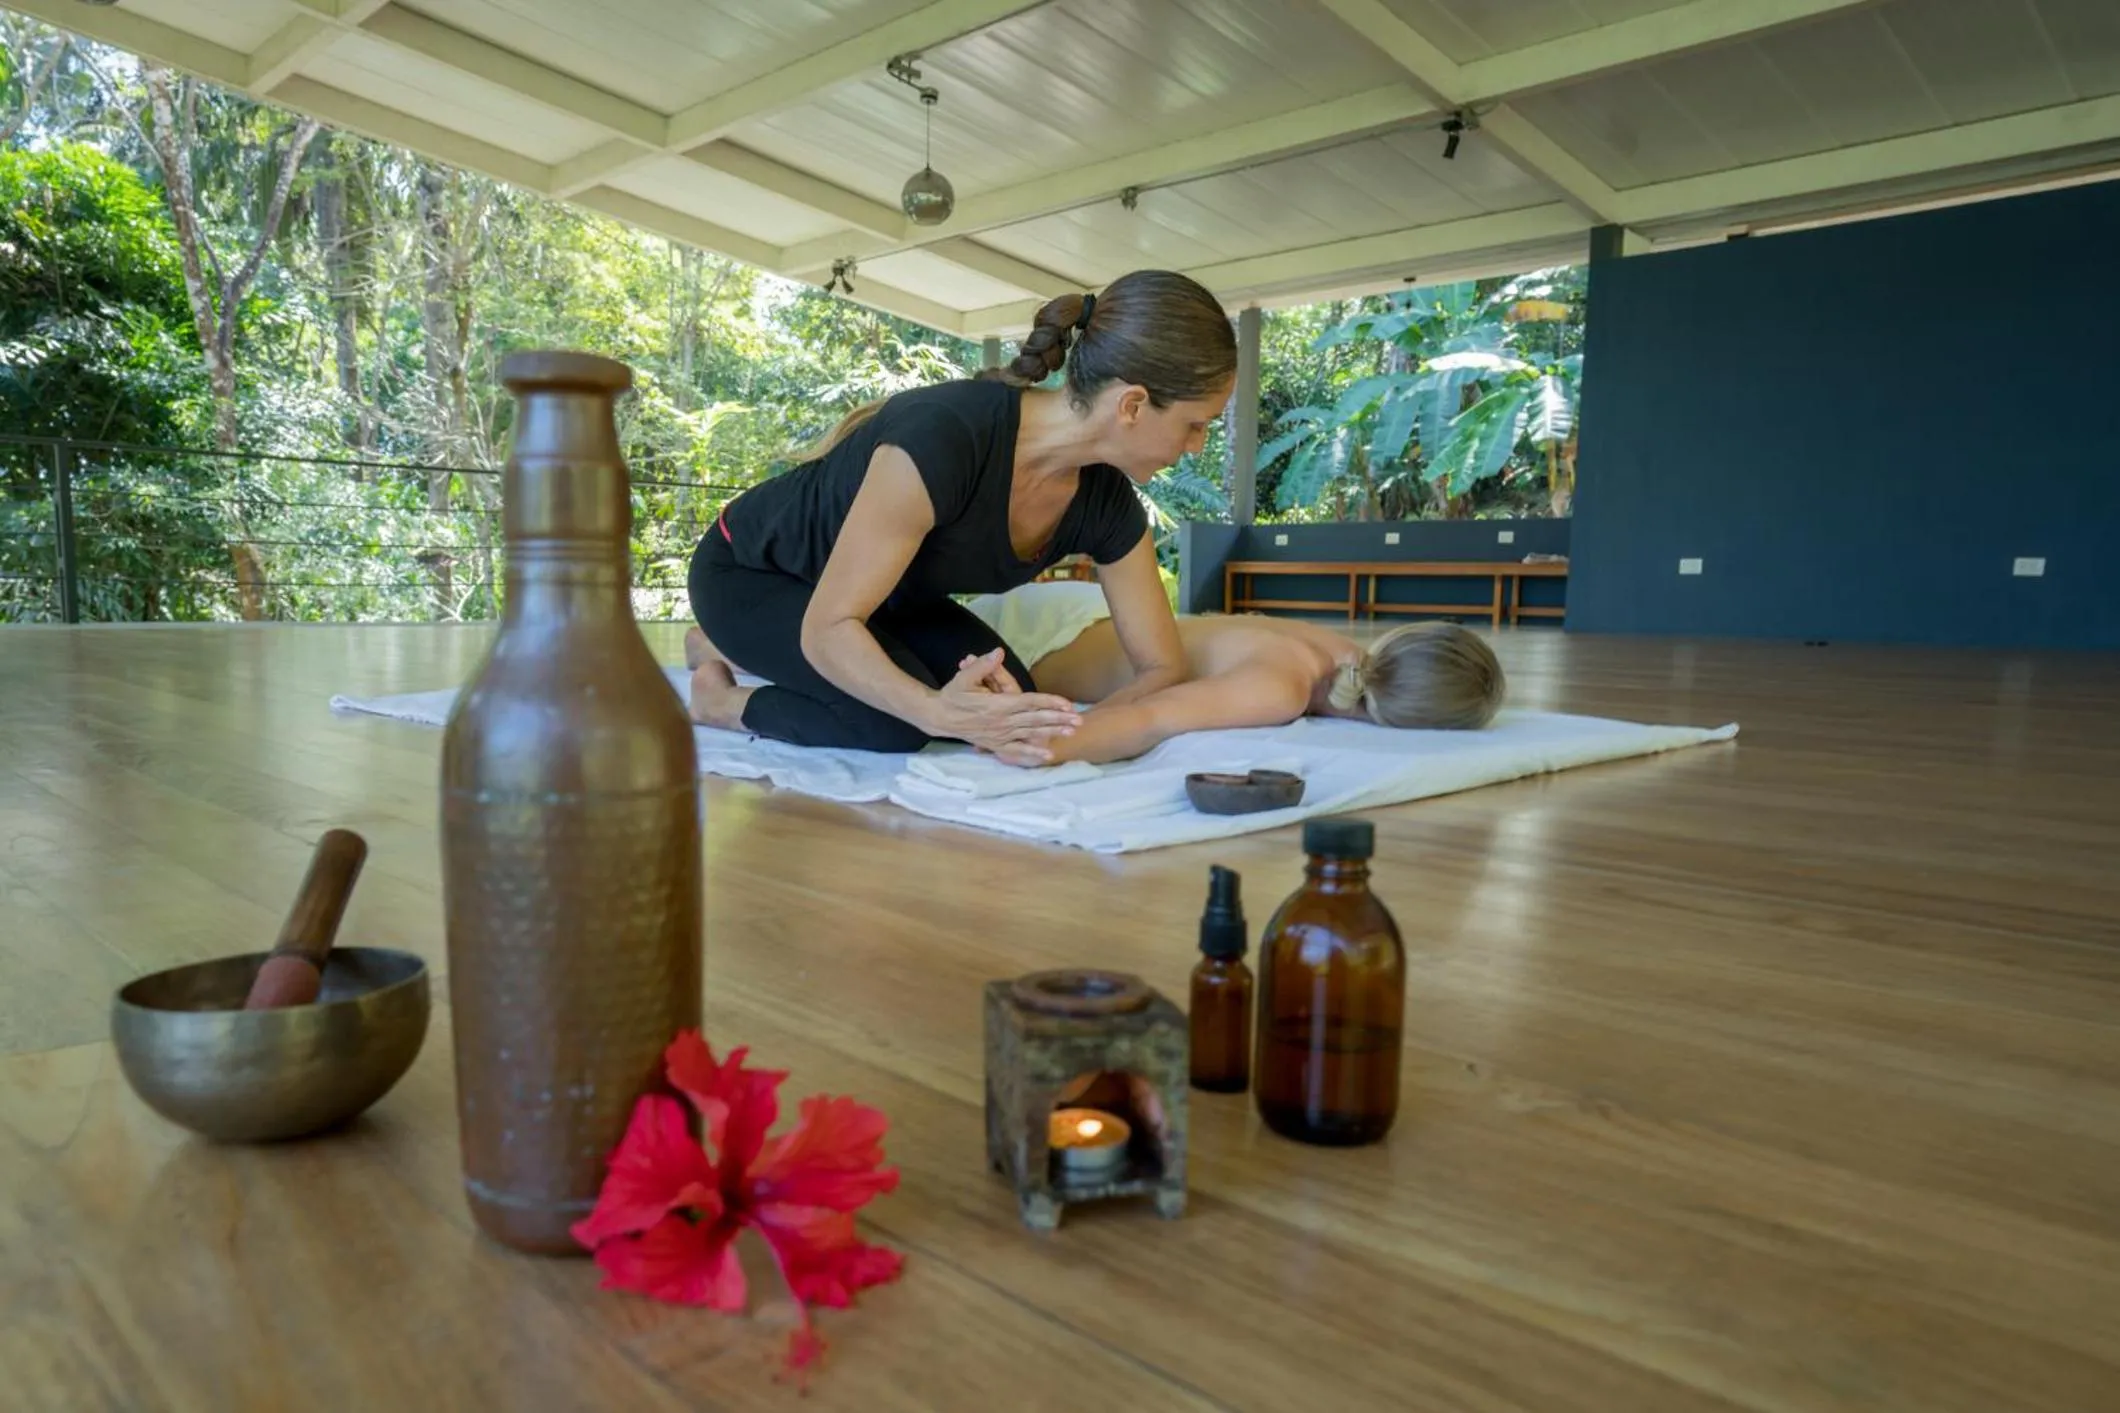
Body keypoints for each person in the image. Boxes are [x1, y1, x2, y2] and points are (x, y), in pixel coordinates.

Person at [685, 269, 1236, 763]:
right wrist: (934, 711)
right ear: (1133, 405)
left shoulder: (1106, 500)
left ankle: (729, 644)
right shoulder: (944, 436)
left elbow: (1163, 668)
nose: (1197, 446)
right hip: (756, 574)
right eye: (1195, 424)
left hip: (881, 601)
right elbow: (830, 628)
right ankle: (721, 696)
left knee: (1012, 698)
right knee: (889, 724)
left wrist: (1064, 733)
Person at [957, 580, 1506, 765]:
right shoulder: (1279, 689)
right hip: (1035, 637)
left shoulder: (1340, 649)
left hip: (1090, 606)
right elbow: (1153, 716)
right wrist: (1040, 744)